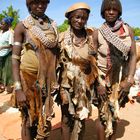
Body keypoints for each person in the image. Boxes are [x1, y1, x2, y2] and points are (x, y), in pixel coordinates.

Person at [12, 0, 59, 139]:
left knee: (44, 117)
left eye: (44, 2)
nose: (40, 6)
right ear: (29, 5)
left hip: (48, 82)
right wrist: (18, 89)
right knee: (28, 119)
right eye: (36, 2)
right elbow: (14, 59)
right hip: (28, 81)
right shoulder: (22, 26)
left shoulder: (53, 25)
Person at [93, 0, 136, 139]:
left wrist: (129, 80)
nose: (111, 12)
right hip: (102, 80)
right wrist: (98, 83)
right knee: (102, 114)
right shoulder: (97, 32)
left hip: (121, 81)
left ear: (119, 12)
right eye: (107, 9)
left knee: (115, 111)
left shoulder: (128, 30)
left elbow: (133, 55)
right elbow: (92, 60)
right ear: (102, 12)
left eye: (114, 9)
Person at [57, 2, 98, 140]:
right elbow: (57, 65)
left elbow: (94, 64)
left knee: (81, 117)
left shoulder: (91, 39)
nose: (80, 21)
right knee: (66, 119)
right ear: (70, 18)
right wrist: (60, 89)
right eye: (77, 17)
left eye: (84, 18)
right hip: (66, 86)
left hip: (85, 87)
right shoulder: (62, 38)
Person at [0, 17, 14, 93]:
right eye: (0, 23)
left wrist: (2, 47)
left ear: (8, 25)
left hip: (7, 55)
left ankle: (8, 89)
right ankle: (2, 87)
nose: (0, 25)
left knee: (7, 72)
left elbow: (11, 45)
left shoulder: (10, 33)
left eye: (2, 24)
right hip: (0, 54)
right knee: (1, 71)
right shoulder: (1, 32)